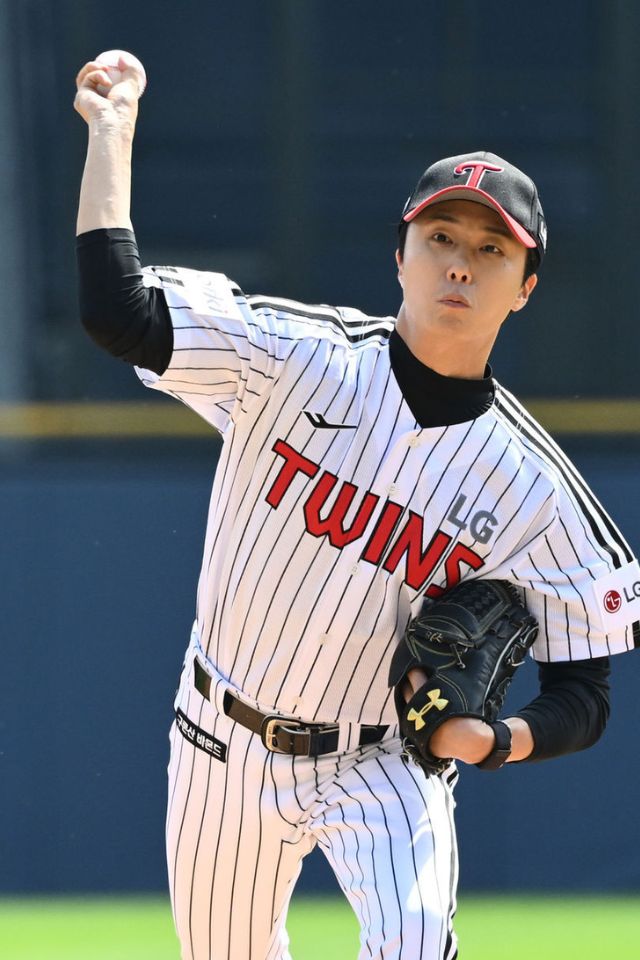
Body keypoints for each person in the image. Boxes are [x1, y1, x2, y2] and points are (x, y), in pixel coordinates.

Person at [74, 57, 639, 960]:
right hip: (222, 738)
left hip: (386, 761)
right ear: (402, 253)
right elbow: (118, 312)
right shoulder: (295, 357)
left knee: (416, 946)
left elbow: (587, 692)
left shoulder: (535, 488)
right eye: (442, 239)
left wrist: (496, 740)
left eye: (491, 250)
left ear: (526, 285)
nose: (461, 264)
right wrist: (112, 136)